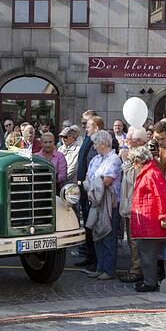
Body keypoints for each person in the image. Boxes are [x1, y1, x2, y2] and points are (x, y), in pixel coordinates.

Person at [128, 146, 166, 292]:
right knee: (145, 252)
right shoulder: (148, 173)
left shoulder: (152, 173)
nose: (134, 165)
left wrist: (164, 216)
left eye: (134, 162)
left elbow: (161, 196)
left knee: (148, 254)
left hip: (150, 221)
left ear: (139, 160)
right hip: (146, 221)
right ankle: (148, 280)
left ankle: (150, 282)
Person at [84, 130, 122, 280]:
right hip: (95, 200)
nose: (94, 147)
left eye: (95, 143)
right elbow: (88, 179)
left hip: (109, 203)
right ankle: (100, 267)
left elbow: (107, 181)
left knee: (108, 235)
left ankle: (108, 270)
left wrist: (95, 182)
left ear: (103, 143)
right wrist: (95, 182)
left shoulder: (114, 159)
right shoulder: (96, 159)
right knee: (97, 235)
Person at [117, 127, 147, 281]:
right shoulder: (131, 154)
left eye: (130, 138)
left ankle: (137, 270)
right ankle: (134, 267)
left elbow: (134, 179)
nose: (126, 141)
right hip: (128, 202)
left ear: (140, 141)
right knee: (130, 238)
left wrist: (125, 161)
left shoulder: (142, 155)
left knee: (135, 239)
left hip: (137, 204)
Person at [73, 115, 100, 269]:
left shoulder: (98, 141)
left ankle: (96, 258)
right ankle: (90, 255)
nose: (85, 128)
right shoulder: (88, 139)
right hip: (84, 186)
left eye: (87, 125)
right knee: (87, 224)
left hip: (92, 189)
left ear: (95, 127)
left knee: (94, 225)